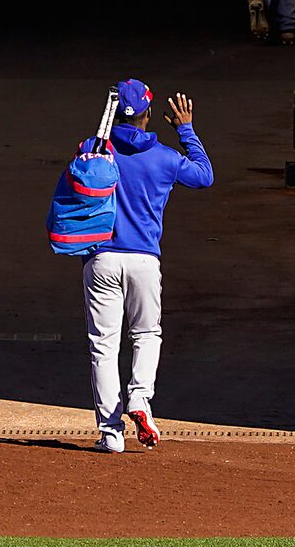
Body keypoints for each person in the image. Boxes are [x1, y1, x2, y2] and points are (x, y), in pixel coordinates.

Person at [84, 80, 212, 452]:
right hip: (143, 260)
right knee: (146, 334)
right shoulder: (166, 157)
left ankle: (110, 434)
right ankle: (140, 398)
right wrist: (186, 129)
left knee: (103, 347)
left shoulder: (97, 152)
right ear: (149, 114)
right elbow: (205, 176)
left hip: (101, 258)